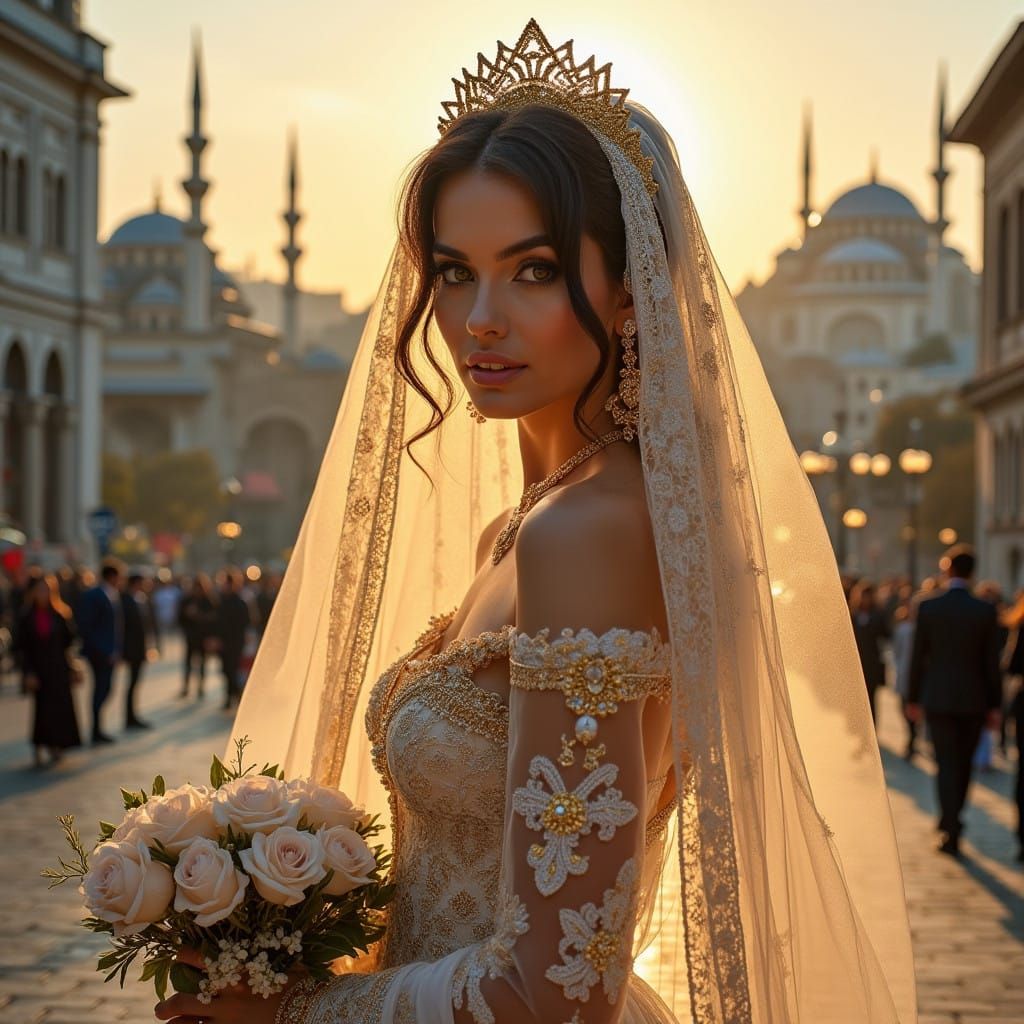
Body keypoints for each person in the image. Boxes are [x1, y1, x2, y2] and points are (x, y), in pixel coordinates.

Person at [161, 21, 916, 1023]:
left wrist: (290, 1011)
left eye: (533, 270)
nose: (478, 317)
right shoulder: (534, 523)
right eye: (453, 270)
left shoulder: (592, 530)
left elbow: (555, 988)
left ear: (630, 289)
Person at [907, 545, 1003, 858]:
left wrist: (912, 697)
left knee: (945, 763)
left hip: (938, 697)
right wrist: (994, 705)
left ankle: (949, 822)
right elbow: (992, 663)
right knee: (963, 765)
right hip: (974, 700)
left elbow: (918, 658)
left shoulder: (928, 607)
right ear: (973, 573)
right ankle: (954, 817)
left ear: (948, 569)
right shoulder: (985, 610)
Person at [13, 574, 80, 767]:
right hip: (38, 670)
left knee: (59, 708)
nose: (44, 594)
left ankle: (57, 744)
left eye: (47, 590)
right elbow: (22, 648)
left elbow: (69, 643)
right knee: (42, 710)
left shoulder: (60, 614)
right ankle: (40, 744)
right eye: (41, 590)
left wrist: (73, 666)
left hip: (59, 669)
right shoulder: (27, 617)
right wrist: (28, 673)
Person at [75, 559, 124, 744]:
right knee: (100, 689)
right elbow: (87, 626)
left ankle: (98, 727)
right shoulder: (93, 596)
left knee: (106, 688)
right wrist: (103, 650)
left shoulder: (112, 595)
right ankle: (95, 729)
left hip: (109, 651)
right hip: (99, 653)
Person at [849, 580, 891, 726]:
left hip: (872, 663)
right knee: (857, 700)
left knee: (871, 699)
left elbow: (886, 634)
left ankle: (872, 728)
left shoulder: (878, 615)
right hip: (856, 664)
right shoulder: (852, 615)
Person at [121, 573, 157, 729]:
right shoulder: (126, 600)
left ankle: (132, 716)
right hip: (132, 650)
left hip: (140, 648)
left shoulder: (141, 598)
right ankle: (129, 717)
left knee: (135, 683)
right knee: (132, 683)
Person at [214, 568, 251, 710]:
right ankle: (232, 695)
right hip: (225, 642)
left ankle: (235, 696)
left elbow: (245, 622)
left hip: (235, 642)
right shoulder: (221, 601)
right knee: (226, 670)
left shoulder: (239, 602)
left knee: (233, 670)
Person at [177, 574, 216, 698]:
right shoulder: (187, 600)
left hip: (203, 637)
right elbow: (180, 618)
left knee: (202, 663)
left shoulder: (209, 600)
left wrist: (199, 616)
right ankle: (186, 686)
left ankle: (201, 687)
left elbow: (214, 618)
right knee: (188, 662)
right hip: (191, 636)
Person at [891, 597, 918, 759]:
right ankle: (911, 733)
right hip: (904, 672)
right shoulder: (902, 629)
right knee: (902, 706)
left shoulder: (920, 628)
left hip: (917, 675)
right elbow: (896, 651)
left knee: (913, 706)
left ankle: (912, 738)